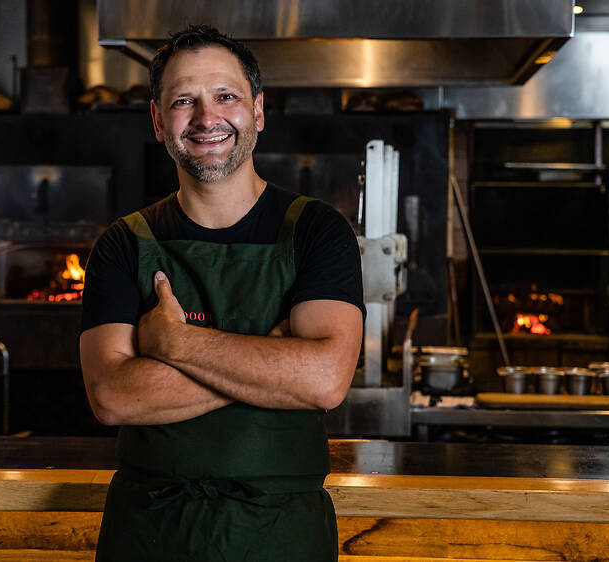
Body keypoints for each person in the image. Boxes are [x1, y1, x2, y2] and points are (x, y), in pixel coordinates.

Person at [79, 24, 364, 561]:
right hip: (150, 534)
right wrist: (274, 360)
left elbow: (325, 381)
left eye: (226, 96)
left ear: (257, 110)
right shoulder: (123, 243)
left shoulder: (316, 230)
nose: (207, 118)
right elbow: (112, 398)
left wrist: (175, 344)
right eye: (184, 101)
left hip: (281, 537)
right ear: (158, 121)